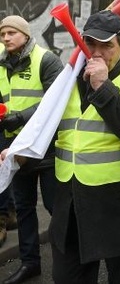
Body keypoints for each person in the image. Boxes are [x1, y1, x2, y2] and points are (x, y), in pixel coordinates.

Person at [49, 10, 120, 284]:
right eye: (91, 43)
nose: (97, 52)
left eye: (107, 45)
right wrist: (23, 149)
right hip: (71, 201)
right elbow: (49, 120)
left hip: (118, 200)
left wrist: (103, 87)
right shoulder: (70, 76)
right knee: (67, 277)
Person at [0, 16, 63, 284]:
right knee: (24, 208)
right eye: (2, 34)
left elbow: (56, 101)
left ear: (25, 35)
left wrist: (21, 117)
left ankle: (67, 259)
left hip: (45, 147)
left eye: (11, 32)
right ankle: (30, 263)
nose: (6, 38)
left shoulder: (46, 60)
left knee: (54, 206)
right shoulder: (1, 64)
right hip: (15, 148)